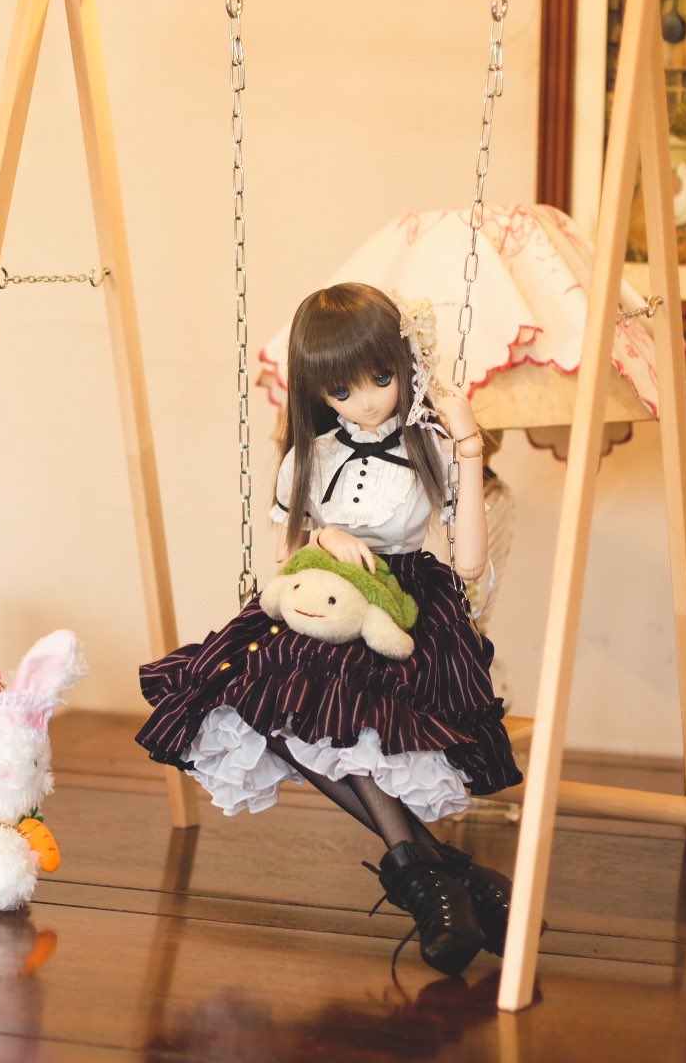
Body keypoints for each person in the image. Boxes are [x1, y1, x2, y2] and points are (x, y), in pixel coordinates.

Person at [136, 283, 521, 976]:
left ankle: (435, 885)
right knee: (259, 704)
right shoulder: (310, 456)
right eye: (343, 390)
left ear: (407, 367)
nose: (367, 402)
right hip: (320, 598)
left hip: (403, 603)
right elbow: (289, 553)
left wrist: (468, 444)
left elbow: (468, 563)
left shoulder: (431, 447)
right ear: (319, 392)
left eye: (381, 379)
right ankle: (447, 878)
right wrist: (324, 534)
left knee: (349, 724)